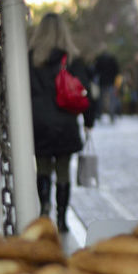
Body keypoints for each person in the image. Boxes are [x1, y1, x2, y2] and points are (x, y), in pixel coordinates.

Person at [28, 13, 95, 232]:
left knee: (42, 168)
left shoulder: (30, 58)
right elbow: (85, 91)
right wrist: (89, 120)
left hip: (39, 122)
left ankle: (44, 210)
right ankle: (62, 218)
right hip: (65, 122)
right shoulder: (73, 59)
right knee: (63, 171)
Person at [93, 50, 120, 123]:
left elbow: (95, 71)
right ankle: (112, 115)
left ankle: (99, 114)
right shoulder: (112, 60)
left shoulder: (99, 59)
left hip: (102, 82)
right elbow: (117, 71)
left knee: (100, 100)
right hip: (111, 82)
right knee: (112, 100)